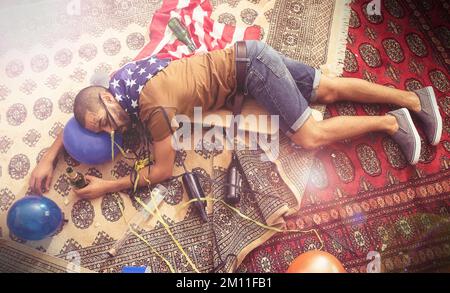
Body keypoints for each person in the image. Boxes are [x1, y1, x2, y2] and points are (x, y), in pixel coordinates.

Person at [29, 40, 442, 198]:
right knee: (326, 89)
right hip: (247, 57)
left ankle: (394, 122)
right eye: (97, 128)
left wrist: (108, 186)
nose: (105, 127)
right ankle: (415, 98)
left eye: (100, 120)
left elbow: (163, 170)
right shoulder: (121, 80)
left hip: (250, 74)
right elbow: (83, 113)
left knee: (308, 136)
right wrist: (50, 154)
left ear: (105, 96)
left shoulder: (150, 109)